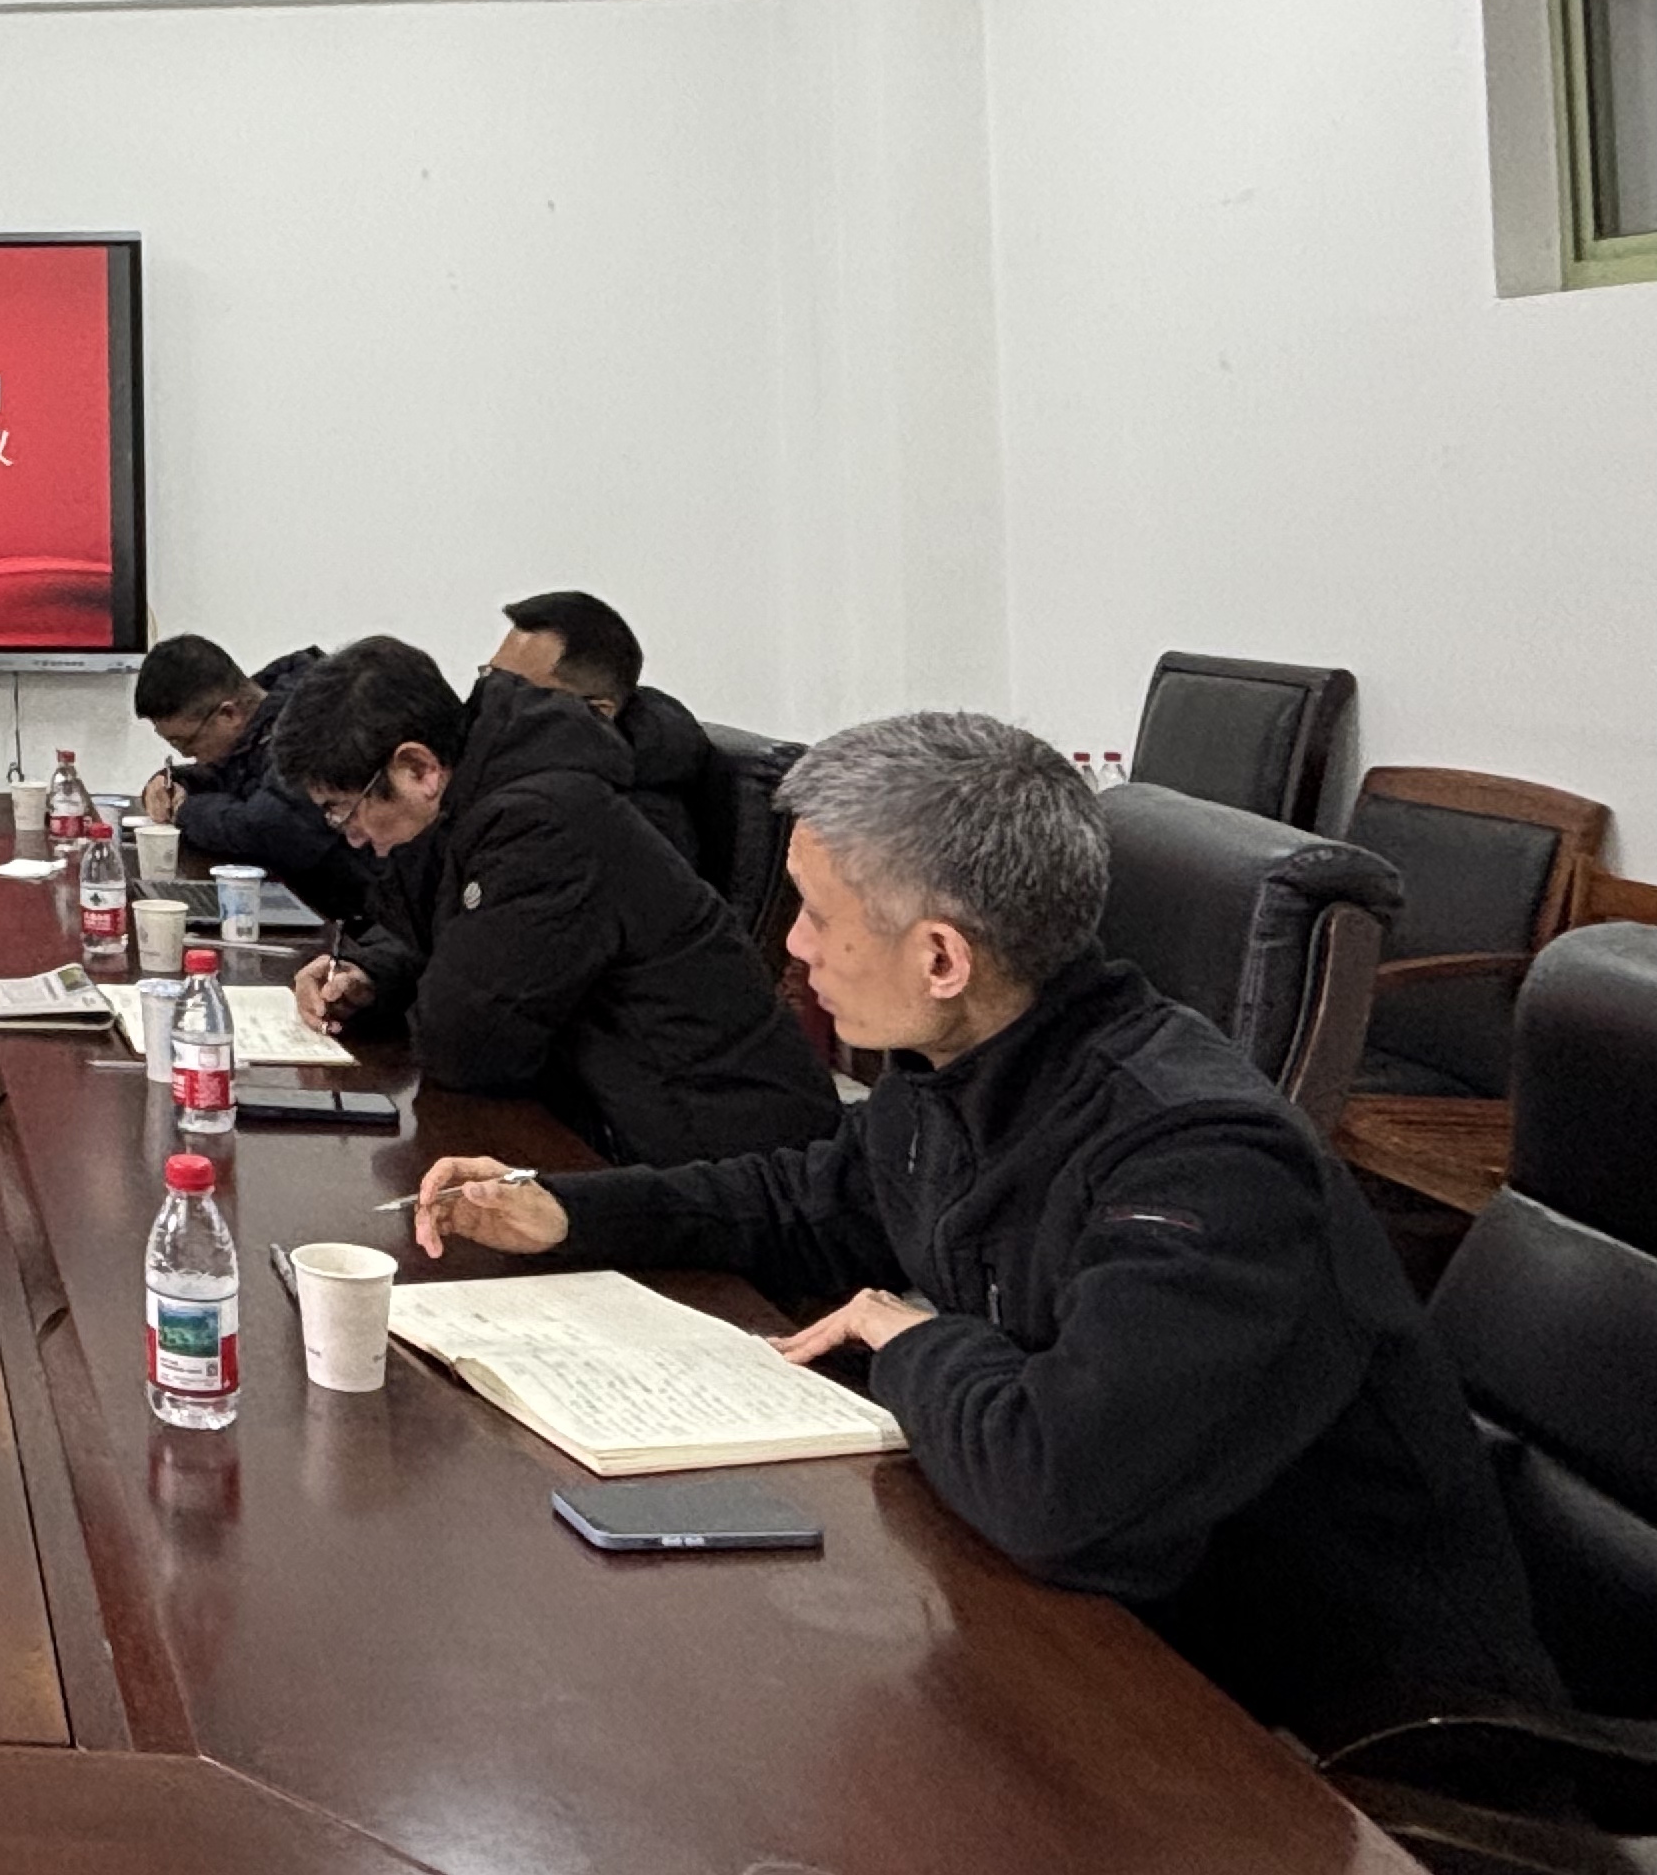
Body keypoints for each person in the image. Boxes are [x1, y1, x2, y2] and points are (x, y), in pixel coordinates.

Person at [409, 711, 1552, 1747]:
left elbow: (1058, 1490)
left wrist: (910, 1340)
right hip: (1108, 1639)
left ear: (942, 957)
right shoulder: (965, 1062)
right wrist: (570, 1210)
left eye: (818, 914)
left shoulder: (1202, 1158)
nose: (792, 945)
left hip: (1342, 1741)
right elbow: (811, 1200)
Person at [270, 635, 838, 1163]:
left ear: (418, 768)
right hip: (624, 1118)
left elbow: (466, 1045)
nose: (350, 835)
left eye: (343, 809)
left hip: (716, 1147)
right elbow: (463, 930)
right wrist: (371, 973)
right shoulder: (486, 791)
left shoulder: (544, 822)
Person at [128, 633, 362, 915]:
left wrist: (184, 810)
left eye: (186, 742)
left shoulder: (311, 729)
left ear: (228, 714)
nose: (187, 755)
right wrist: (175, 781)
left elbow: (270, 827)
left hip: (343, 910)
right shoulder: (257, 720)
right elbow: (225, 777)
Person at [487, 588, 717, 870]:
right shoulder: (504, 770)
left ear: (597, 712)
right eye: (489, 677)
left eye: (516, 690)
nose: (490, 699)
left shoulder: (635, 828)